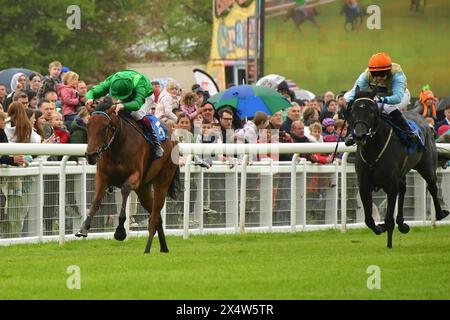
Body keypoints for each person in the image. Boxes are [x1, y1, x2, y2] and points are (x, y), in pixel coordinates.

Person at [84, 69, 163, 158]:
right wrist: (89, 98)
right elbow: (92, 92)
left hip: (146, 95)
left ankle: (156, 143)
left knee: (137, 114)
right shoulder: (111, 81)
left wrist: (123, 106)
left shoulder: (141, 84)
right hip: (127, 90)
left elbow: (137, 104)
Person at [344, 52, 417, 146]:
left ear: (387, 71)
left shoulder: (397, 75)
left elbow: (398, 98)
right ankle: (353, 133)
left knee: (387, 107)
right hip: (377, 96)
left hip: (401, 96)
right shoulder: (366, 75)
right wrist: (351, 102)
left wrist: (381, 100)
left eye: (382, 74)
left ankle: (408, 131)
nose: (378, 78)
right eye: (375, 75)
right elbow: (355, 91)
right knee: (363, 106)